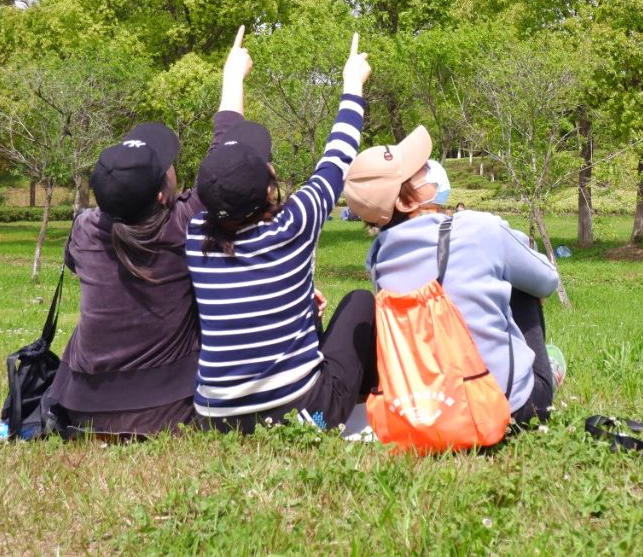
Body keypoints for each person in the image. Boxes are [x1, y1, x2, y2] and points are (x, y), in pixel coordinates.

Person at [42, 27, 253, 439]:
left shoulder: (84, 229)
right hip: (167, 412)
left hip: (81, 410)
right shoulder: (183, 224)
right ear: (161, 193)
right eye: (167, 166)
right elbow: (223, 156)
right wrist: (232, 79)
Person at [185, 33, 375, 434]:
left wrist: (232, 76)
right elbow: (338, 156)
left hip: (214, 421)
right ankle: (360, 409)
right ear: (270, 191)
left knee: (307, 305)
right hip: (303, 413)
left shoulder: (196, 233)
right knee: (360, 302)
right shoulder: (294, 224)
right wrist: (352, 85)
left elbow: (221, 163)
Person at [344, 128, 562, 424]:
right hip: (512, 408)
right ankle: (545, 369)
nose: (429, 168)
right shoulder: (478, 228)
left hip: (433, 407)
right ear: (405, 203)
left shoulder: (379, 259)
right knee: (524, 285)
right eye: (419, 170)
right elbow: (548, 280)